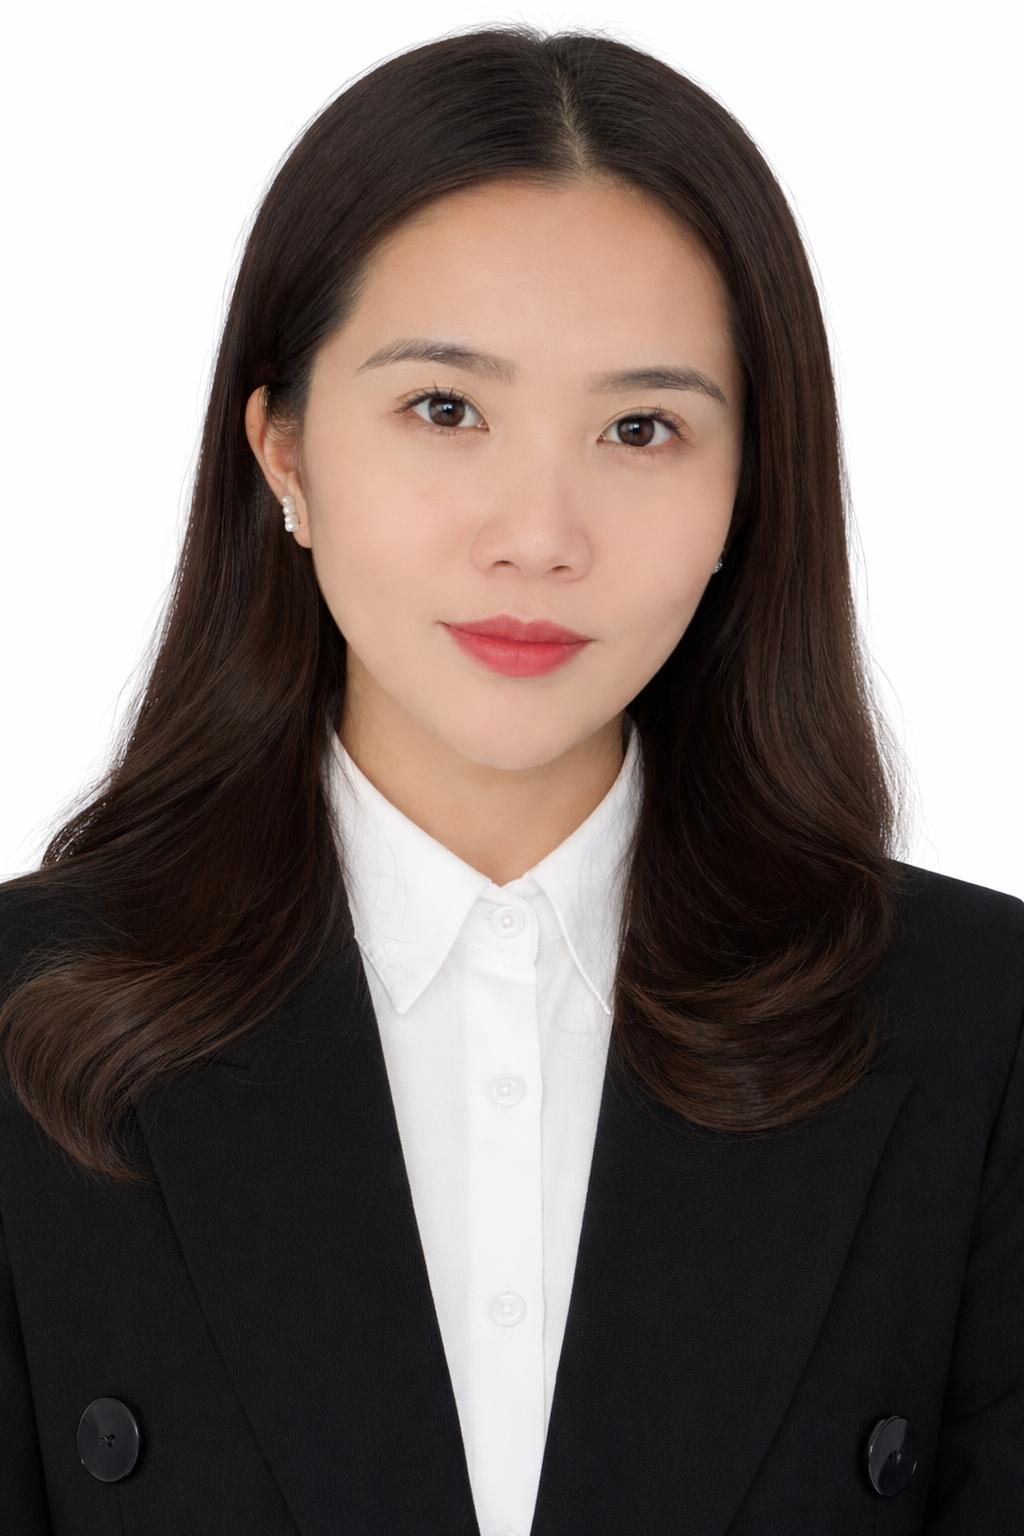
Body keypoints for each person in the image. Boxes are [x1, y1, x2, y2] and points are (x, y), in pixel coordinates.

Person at [1, 23, 1021, 1536]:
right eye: (445, 409)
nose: (539, 536)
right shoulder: (24, 1016)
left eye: (640, 428)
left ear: (748, 486)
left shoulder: (980, 1023)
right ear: (283, 449)